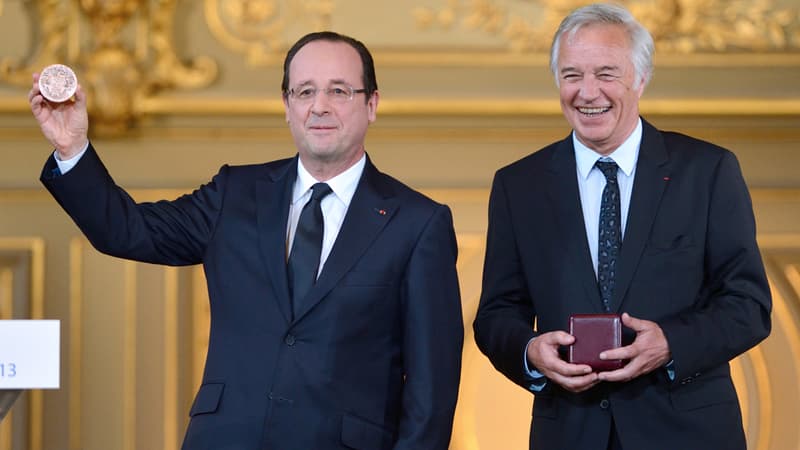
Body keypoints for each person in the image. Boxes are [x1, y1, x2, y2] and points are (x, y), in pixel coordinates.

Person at [30, 31, 464, 449]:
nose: (320, 107)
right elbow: (124, 230)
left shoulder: (417, 223)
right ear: (286, 105)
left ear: (371, 104)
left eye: (339, 91)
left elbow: (432, 393)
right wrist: (73, 149)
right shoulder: (234, 193)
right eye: (305, 91)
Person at [473, 4, 771, 450]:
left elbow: (748, 305)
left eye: (606, 74)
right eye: (572, 75)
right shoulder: (519, 185)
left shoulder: (706, 172)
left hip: (689, 434)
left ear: (641, 79)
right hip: (569, 434)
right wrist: (531, 353)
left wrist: (671, 343)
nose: (587, 92)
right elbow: (497, 315)